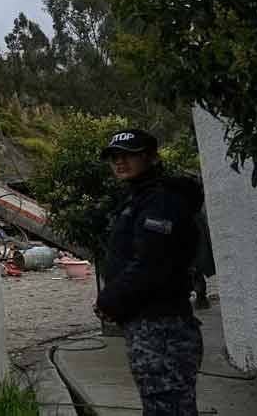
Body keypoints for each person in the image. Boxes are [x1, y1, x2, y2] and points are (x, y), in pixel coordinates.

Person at [96, 129, 205, 416]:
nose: (120, 162)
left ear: (151, 157)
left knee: (167, 405)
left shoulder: (162, 202)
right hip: (148, 324)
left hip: (162, 327)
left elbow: (152, 263)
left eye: (129, 155)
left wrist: (110, 299)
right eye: (114, 157)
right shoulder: (139, 199)